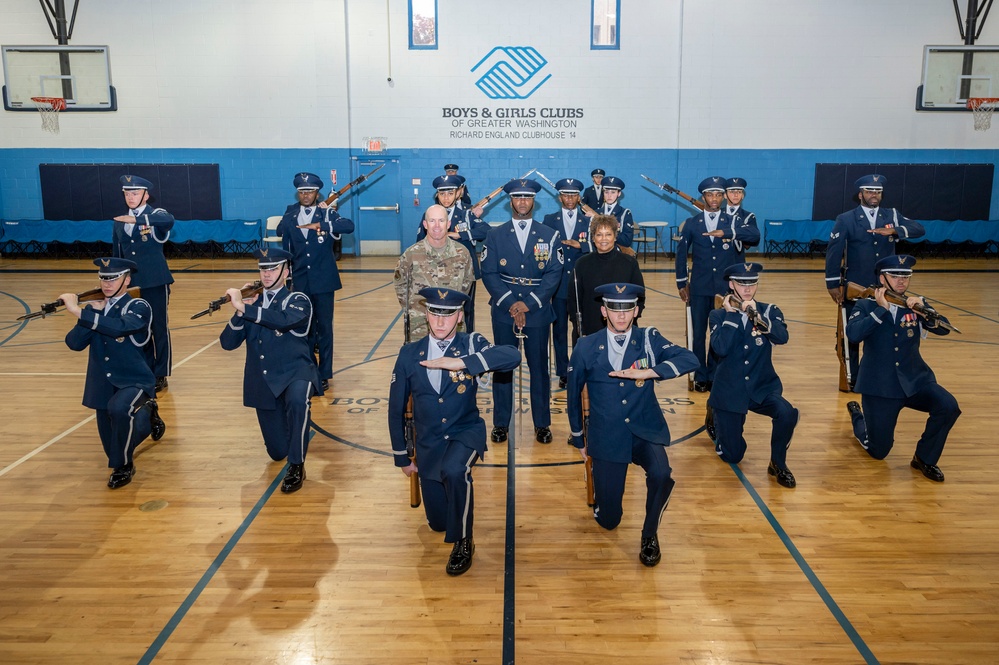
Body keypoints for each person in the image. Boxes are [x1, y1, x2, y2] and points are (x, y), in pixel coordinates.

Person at [389, 288, 521, 575]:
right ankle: (452, 524)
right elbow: (395, 408)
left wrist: (463, 363)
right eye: (435, 313)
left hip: (466, 431)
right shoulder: (409, 354)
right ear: (426, 314)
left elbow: (511, 355)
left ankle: (464, 541)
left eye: (448, 315)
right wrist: (402, 456)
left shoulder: (471, 343)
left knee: (454, 470)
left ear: (459, 317)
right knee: (438, 524)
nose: (440, 322)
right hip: (428, 443)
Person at [567, 283, 698, 567]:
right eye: (615, 309)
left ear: (636, 310)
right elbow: (573, 394)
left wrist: (651, 372)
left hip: (644, 428)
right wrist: (579, 440)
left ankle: (649, 534)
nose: (622, 316)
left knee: (662, 473)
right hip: (607, 435)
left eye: (628, 309)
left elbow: (691, 359)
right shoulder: (586, 345)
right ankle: (603, 502)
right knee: (609, 521)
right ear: (604, 311)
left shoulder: (648, 339)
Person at [845, 255, 960, 482]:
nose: (901, 281)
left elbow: (944, 328)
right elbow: (853, 334)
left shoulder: (913, 304)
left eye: (905, 276)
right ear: (882, 278)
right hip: (880, 387)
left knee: (948, 406)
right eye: (895, 276)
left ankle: (924, 458)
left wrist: (924, 311)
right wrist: (881, 310)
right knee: (878, 451)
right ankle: (858, 417)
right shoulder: (865, 304)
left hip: (915, 381)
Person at [219, 248, 323, 493]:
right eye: (263, 269)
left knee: (298, 402)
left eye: (273, 268)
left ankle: (297, 465)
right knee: (277, 451)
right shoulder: (252, 304)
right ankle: (290, 444)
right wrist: (239, 310)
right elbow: (227, 343)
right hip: (264, 381)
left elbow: (282, 320)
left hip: (294, 373)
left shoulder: (297, 300)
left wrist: (248, 310)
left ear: (286, 272)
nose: (267, 274)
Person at [63, 257, 165, 489]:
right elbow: (74, 343)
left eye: (113, 278)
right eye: (103, 278)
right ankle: (147, 418)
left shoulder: (139, 306)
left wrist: (80, 312)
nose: (107, 284)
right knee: (113, 445)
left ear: (127, 280)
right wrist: (89, 314)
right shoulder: (95, 310)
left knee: (119, 411)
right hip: (102, 383)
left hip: (133, 379)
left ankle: (124, 466)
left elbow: (121, 326)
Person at [480, 178, 562, 444]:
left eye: (527, 197)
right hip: (505, 311)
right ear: (510, 202)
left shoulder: (549, 235)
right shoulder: (495, 235)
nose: (523, 202)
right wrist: (510, 303)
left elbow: (553, 273)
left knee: (539, 369)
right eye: (518, 197)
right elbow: (489, 272)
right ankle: (501, 423)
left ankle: (542, 424)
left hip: (537, 312)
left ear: (533, 201)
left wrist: (529, 304)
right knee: (502, 368)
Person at [825, 174, 926, 391]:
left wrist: (895, 230)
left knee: (884, 331)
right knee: (853, 333)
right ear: (860, 194)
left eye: (878, 192)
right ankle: (852, 377)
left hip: (885, 288)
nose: (874, 195)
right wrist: (832, 284)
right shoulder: (846, 219)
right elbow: (834, 253)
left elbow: (919, 229)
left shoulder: (892, 215)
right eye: (870, 191)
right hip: (856, 288)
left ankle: (880, 376)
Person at [706, 263, 798, 488]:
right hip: (730, 391)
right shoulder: (718, 315)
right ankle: (714, 412)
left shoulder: (769, 310)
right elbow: (721, 348)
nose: (747, 289)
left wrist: (756, 317)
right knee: (733, 455)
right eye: (741, 283)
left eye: (752, 283)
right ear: (731, 285)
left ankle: (778, 463)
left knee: (787, 413)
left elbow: (782, 337)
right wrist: (733, 315)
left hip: (761, 386)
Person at [675, 176, 760, 392]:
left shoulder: (732, 221)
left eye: (718, 194)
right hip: (700, 286)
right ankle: (700, 374)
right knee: (697, 332)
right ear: (703, 197)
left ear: (723, 197)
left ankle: (715, 374)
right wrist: (681, 282)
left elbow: (755, 235)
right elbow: (681, 254)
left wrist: (728, 233)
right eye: (710, 194)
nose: (714, 199)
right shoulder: (692, 223)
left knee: (719, 331)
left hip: (724, 288)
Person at [276, 172, 354, 392]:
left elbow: (348, 227)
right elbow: (282, 234)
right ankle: (309, 371)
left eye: (309, 191)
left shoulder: (327, 213)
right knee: (305, 329)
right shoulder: (291, 212)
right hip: (300, 279)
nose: (306, 195)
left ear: (316, 192)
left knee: (324, 329)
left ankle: (324, 373)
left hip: (324, 280)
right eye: (302, 191)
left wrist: (326, 220)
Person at [112, 175, 175, 393]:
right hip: (131, 284)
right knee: (135, 327)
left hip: (155, 281)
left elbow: (168, 221)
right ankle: (143, 369)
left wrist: (138, 221)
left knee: (158, 326)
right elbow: (117, 255)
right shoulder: (120, 220)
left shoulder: (155, 215)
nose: (130, 197)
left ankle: (161, 373)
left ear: (146, 195)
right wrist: (115, 280)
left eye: (135, 193)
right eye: (127, 193)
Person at [395, 204, 476, 340]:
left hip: (454, 324)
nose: (437, 225)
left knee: (454, 360)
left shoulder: (462, 253)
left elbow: (466, 285)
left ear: (448, 224)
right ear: (425, 224)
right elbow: (401, 286)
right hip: (420, 325)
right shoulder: (411, 254)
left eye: (441, 220)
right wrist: (416, 311)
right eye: (432, 221)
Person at [542, 177, 592, 388]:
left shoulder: (589, 221)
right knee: (559, 329)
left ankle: (580, 367)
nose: (569, 198)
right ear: (559, 196)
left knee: (581, 329)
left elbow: (600, 245)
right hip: (558, 284)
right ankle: (564, 372)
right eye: (565, 194)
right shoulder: (548, 219)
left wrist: (581, 246)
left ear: (579, 197)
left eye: (573, 195)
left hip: (582, 283)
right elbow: (542, 250)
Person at [421, 174, 487, 330]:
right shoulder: (431, 213)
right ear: (437, 194)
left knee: (467, 310)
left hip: (465, 272)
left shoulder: (467, 213)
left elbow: (487, 231)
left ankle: (467, 341)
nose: (446, 198)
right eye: (442, 193)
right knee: (438, 308)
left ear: (458, 193)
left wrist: (461, 234)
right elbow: (420, 241)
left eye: (450, 193)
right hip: (437, 270)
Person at [568, 214, 644, 339]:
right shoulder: (581, 263)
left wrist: (629, 321)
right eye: (599, 234)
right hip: (589, 329)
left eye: (608, 234)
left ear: (615, 237)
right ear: (593, 238)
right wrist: (579, 326)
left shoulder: (629, 263)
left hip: (623, 328)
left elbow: (640, 296)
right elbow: (573, 299)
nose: (604, 239)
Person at [597, 176, 635, 250]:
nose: (609, 195)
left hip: (616, 253)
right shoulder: (596, 213)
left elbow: (627, 241)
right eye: (606, 192)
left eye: (613, 192)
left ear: (619, 194)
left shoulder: (624, 214)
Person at [723, 178, 760, 248]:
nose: (736, 195)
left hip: (736, 256)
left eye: (739, 192)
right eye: (731, 192)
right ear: (725, 195)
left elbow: (753, 241)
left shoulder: (748, 216)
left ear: (742, 196)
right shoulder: (718, 213)